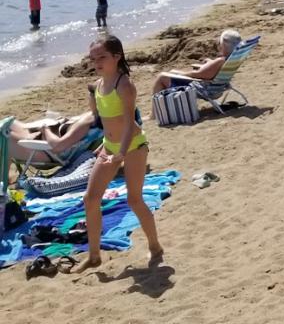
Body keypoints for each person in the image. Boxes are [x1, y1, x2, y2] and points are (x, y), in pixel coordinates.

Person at [76, 35, 163, 271]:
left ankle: (155, 246)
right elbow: (106, 122)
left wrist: (121, 153)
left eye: (102, 57)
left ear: (117, 56)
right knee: (90, 199)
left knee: (134, 200)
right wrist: (105, 145)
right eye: (93, 58)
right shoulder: (98, 85)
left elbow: (129, 124)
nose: (97, 62)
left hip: (133, 146)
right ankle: (94, 256)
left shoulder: (124, 85)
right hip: (110, 148)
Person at [152, 29, 242, 94]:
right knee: (171, 73)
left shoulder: (220, 61)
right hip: (218, 86)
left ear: (223, 45)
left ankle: (154, 114)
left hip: (203, 88)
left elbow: (200, 75)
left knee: (161, 77)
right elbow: (210, 72)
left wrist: (181, 74)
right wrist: (211, 63)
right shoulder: (232, 58)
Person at [3, 112, 96, 163]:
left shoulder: (87, 121)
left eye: (91, 91)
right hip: (43, 140)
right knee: (11, 123)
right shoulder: (94, 115)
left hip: (45, 150)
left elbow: (59, 146)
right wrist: (63, 120)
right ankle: (5, 175)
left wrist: (46, 130)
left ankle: (3, 181)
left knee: (3, 136)